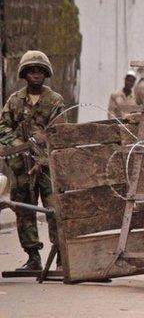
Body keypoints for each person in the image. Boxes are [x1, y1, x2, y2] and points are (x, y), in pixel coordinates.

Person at [0, 50, 65, 271]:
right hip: (21, 166)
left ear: (45, 73)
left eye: (39, 70)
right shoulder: (15, 100)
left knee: (55, 210)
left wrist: (41, 159)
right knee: (24, 211)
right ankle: (33, 256)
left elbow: (58, 133)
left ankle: (61, 257)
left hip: (47, 167)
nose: (35, 74)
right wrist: (19, 145)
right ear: (25, 74)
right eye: (31, 70)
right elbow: (3, 127)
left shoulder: (55, 101)